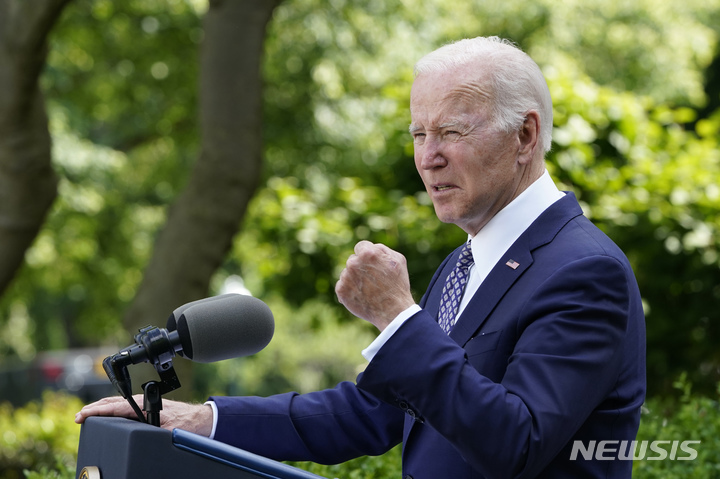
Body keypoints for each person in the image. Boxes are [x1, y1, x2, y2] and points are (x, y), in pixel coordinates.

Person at [76, 36, 646, 478]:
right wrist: (203, 421)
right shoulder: (466, 264)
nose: (429, 158)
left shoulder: (582, 270)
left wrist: (399, 320)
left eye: (450, 130)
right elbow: (374, 413)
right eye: (418, 134)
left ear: (525, 136)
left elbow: (515, 443)